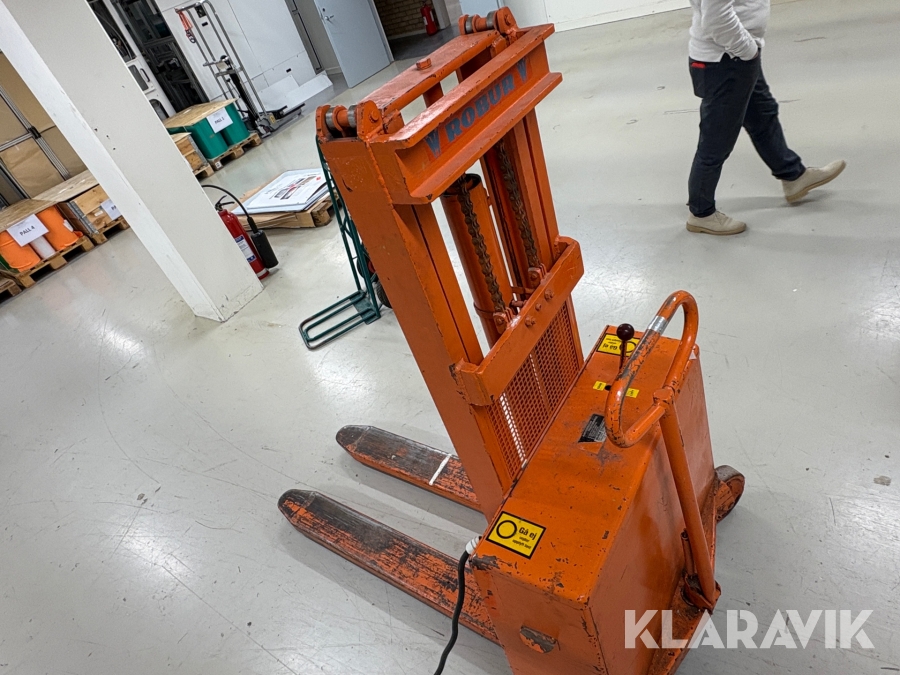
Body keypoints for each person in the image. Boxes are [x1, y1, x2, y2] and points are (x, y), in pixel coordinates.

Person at [685, 0, 846, 235]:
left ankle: (794, 177)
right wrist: (747, 50)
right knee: (716, 140)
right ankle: (701, 213)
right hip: (726, 60)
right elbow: (716, 18)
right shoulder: (737, 51)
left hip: (735, 56)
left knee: (763, 114)